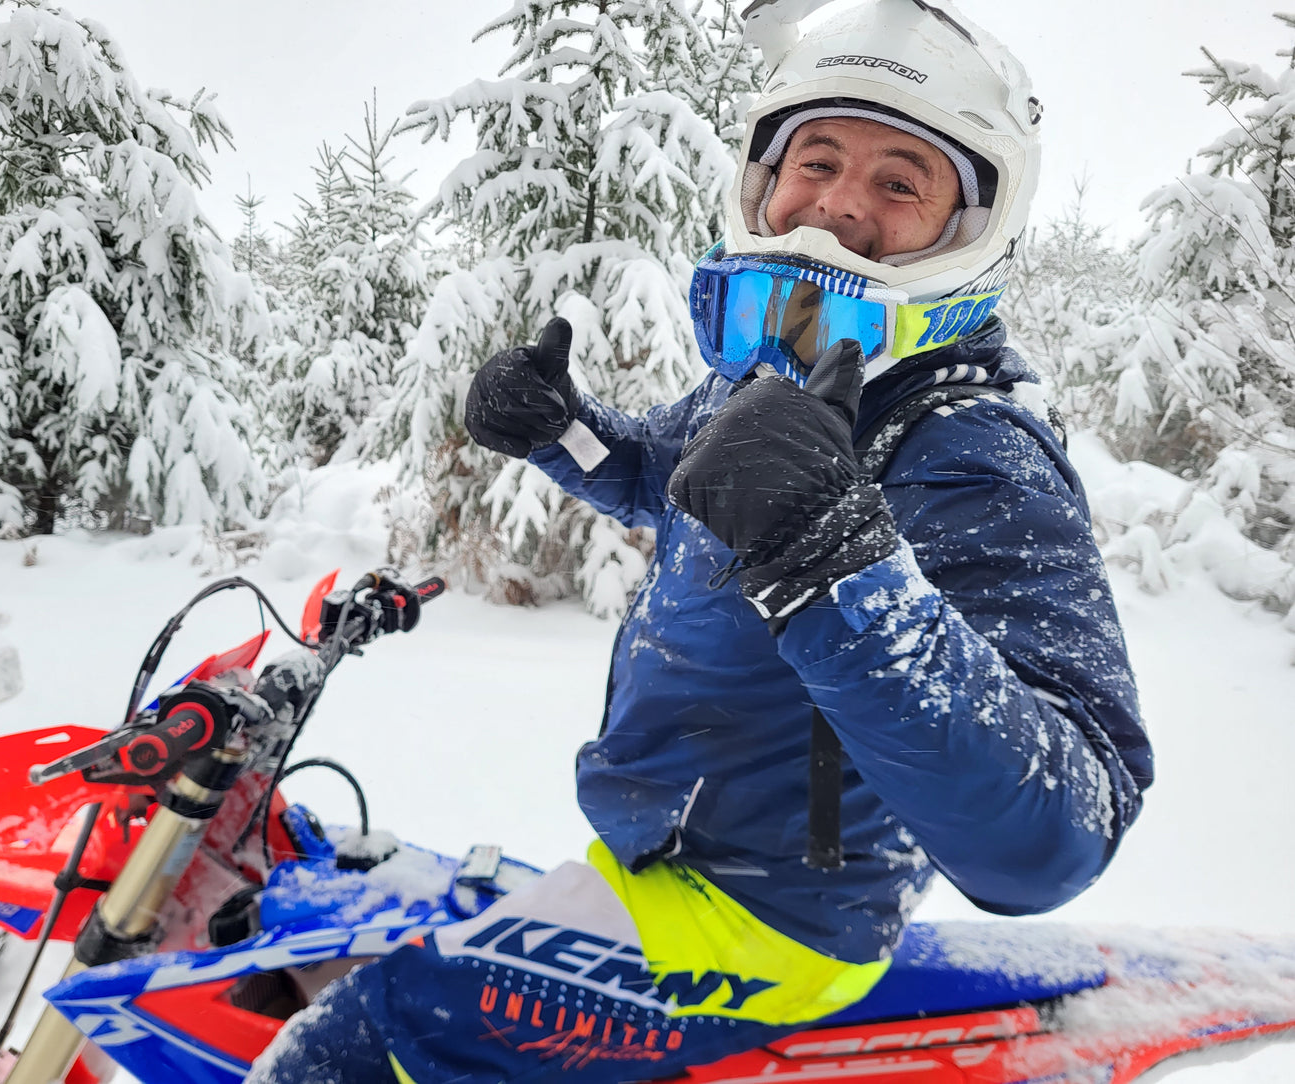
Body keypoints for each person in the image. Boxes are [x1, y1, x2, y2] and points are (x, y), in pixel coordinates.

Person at [250, 1, 1152, 1081]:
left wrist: (837, 561)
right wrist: (562, 430)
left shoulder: (962, 445)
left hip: (775, 917)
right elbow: (668, 478)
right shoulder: (773, 369)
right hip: (661, 859)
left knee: (359, 1038)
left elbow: (1059, 826)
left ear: (970, 230)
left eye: (899, 181)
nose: (837, 208)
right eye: (814, 160)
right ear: (760, 182)